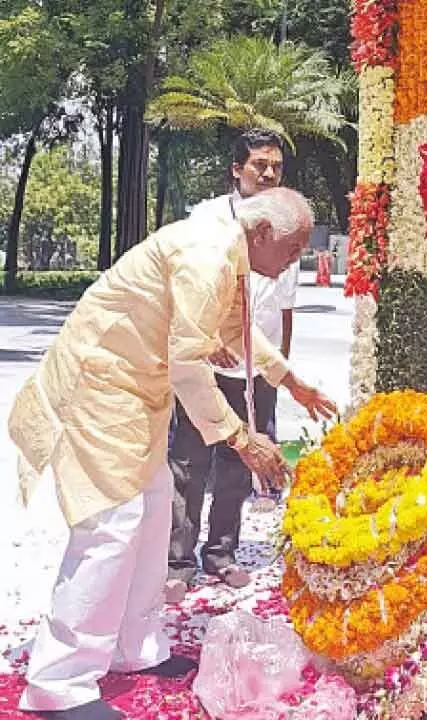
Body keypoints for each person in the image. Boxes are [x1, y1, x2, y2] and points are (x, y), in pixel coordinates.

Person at [7, 187, 337, 720]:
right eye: (294, 250)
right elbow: (188, 365)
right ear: (261, 234)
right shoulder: (208, 255)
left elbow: (233, 328)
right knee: (109, 527)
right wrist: (240, 438)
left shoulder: (227, 249)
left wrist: (290, 380)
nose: (294, 261)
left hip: (135, 394)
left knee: (155, 514)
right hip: (100, 386)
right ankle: (58, 683)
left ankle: (133, 648)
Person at [165, 128, 301, 601]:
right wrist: (201, 343)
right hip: (203, 361)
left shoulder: (286, 227)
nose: (268, 173)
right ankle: (177, 563)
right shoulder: (207, 218)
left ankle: (221, 554)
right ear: (236, 169)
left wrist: (280, 373)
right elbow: (185, 288)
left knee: (239, 464)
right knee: (189, 460)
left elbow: (284, 310)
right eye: (259, 164)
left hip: (255, 369)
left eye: (276, 167)